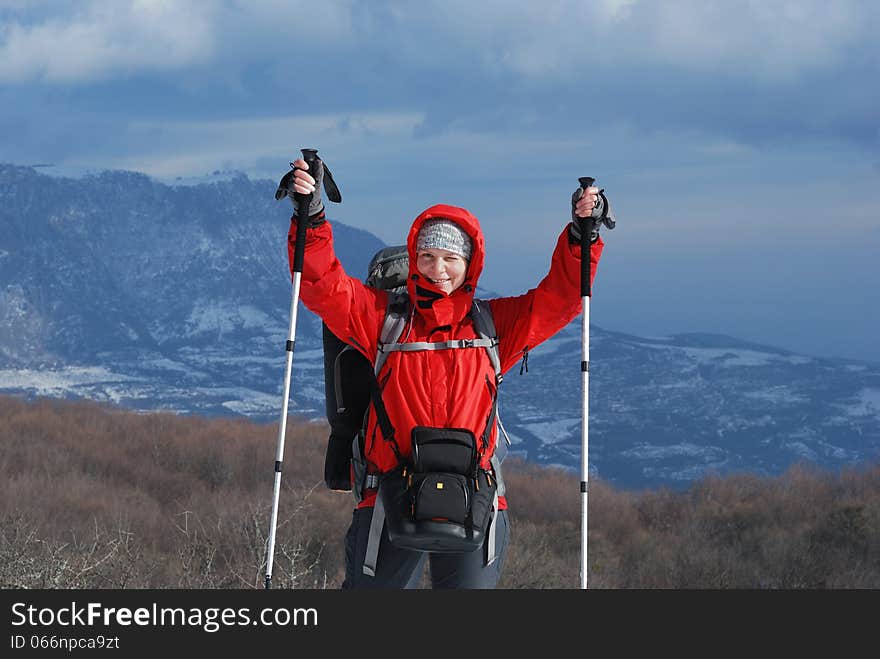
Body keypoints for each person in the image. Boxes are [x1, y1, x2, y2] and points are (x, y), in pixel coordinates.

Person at [286, 157, 604, 589]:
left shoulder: (493, 328)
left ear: (470, 262)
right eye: (429, 256)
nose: (439, 270)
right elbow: (323, 285)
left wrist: (581, 237)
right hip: (388, 496)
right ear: (415, 259)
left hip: (475, 497)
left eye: (451, 258)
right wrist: (313, 217)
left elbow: (560, 299)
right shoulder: (384, 320)